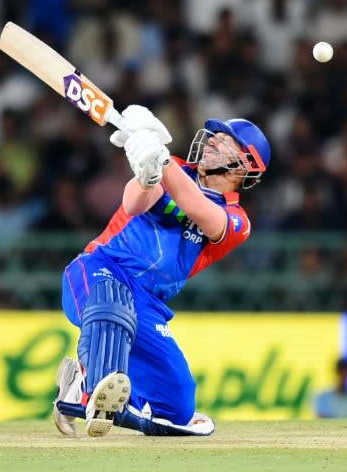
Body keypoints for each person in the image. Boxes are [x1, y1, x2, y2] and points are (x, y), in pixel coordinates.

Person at [51, 105, 270, 437]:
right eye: (214, 137)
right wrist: (147, 173)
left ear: (247, 165)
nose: (211, 142)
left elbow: (198, 209)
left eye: (225, 141)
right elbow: (133, 203)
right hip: (100, 268)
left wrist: (161, 158)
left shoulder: (238, 220)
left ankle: (81, 395)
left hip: (148, 304)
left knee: (178, 408)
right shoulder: (174, 168)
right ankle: (89, 386)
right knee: (112, 304)